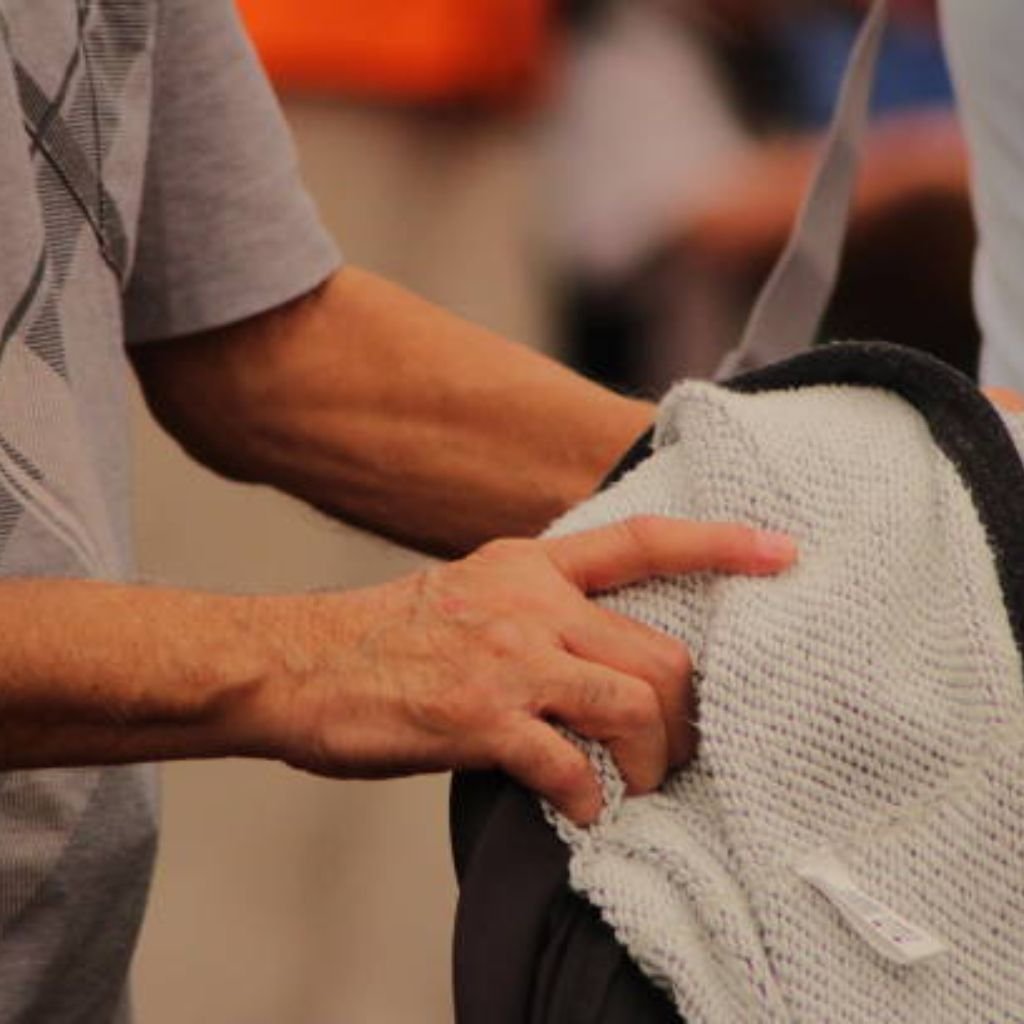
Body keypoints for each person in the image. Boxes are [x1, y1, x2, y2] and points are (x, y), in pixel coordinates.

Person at [0, 3, 798, 1021]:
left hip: (481, 57)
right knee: (250, 848)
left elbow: (267, 349)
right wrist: (305, 657)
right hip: (333, 56)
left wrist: (836, 483)